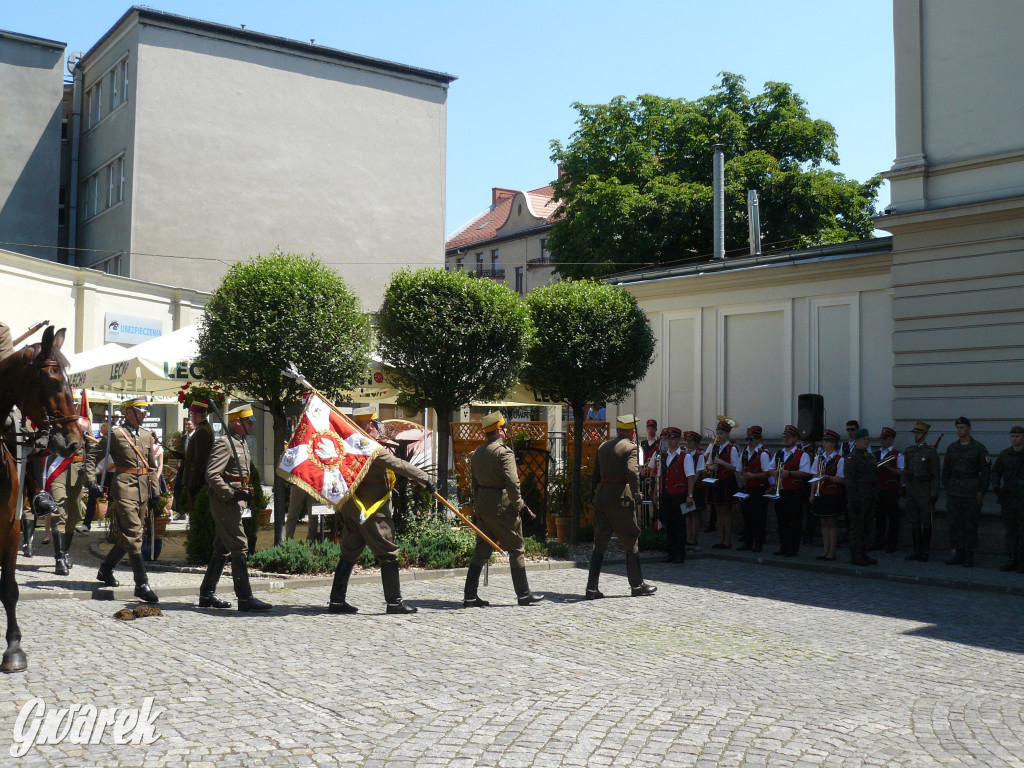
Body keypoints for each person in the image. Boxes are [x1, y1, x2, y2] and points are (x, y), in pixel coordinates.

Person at [328, 406, 436, 614]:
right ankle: (394, 602)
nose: (379, 428)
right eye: (377, 424)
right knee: (388, 553)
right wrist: (425, 478)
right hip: (374, 512)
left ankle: (336, 601)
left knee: (348, 554)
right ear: (369, 425)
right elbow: (398, 464)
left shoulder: (348, 446)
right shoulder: (370, 447)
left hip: (353, 510)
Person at [461, 411, 544, 608]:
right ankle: (523, 595)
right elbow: (513, 483)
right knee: (516, 549)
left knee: (481, 551)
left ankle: (469, 595)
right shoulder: (504, 452)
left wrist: (476, 506)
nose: (506, 431)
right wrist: (519, 505)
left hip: (483, 506)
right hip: (502, 507)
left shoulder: (478, 452)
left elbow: (473, 484)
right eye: (504, 428)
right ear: (499, 430)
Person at [85, 397, 160, 603]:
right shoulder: (116, 434)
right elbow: (92, 456)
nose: (144, 414)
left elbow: (151, 466)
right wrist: (91, 481)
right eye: (140, 411)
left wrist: (156, 491)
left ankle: (106, 569)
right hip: (124, 489)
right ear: (129, 412)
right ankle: (141, 584)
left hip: (143, 490)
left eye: (146, 411)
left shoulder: (146, 436)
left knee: (128, 536)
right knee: (135, 533)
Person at [198, 403, 271, 612]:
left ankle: (206, 594)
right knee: (239, 545)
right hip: (224, 502)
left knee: (221, 548)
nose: (252, 426)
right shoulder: (225, 443)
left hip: (236, 502)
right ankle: (245, 598)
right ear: (237, 422)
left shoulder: (241, 442)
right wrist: (232, 492)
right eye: (248, 422)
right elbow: (212, 474)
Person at [586, 414, 657, 599]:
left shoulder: (603, 446)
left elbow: (594, 475)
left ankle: (591, 588)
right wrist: (636, 494)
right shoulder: (631, 448)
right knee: (631, 540)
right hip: (621, 500)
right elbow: (633, 472)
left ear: (618, 430)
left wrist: (593, 494)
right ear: (632, 432)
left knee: (600, 542)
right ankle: (637, 585)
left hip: (601, 498)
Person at [46, 410, 93, 575]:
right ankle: (59, 558)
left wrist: (89, 474)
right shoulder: (53, 422)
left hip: (76, 473)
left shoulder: (84, 423)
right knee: (59, 511)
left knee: (74, 515)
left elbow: (91, 451)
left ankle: (65, 551)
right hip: (57, 472)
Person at [941, 416, 990, 567]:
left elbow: (986, 472)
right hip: (955, 491)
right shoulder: (952, 448)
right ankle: (958, 553)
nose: (959, 430)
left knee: (970, 525)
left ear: (969, 428)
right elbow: (946, 470)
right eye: (957, 427)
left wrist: (981, 491)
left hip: (971, 491)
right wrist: (948, 487)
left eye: (962, 427)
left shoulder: (979, 448)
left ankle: (969, 555)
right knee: (955, 524)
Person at [650, 427, 691, 564]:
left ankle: (680, 553)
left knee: (679, 524)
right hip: (666, 494)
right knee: (668, 523)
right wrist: (656, 491)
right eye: (669, 439)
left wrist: (689, 495)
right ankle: (671, 552)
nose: (671, 442)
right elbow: (660, 475)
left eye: (673, 439)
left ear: (679, 440)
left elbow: (690, 477)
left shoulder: (685, 457)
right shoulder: (664, 456)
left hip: (679, 494)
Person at [902, 421, 940, 562]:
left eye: (918, 433)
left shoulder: (931, 452)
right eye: (915, 432)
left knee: (926, 522)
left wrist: (934, 492)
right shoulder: (910, 450)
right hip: (912, 492)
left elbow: (936, 474)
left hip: (924, 492)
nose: (916, 435)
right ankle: (916, 550)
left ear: (925, 434)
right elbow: (905, 470)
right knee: (914, 522)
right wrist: (904, 486)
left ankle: (925, 551)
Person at [773, 425, 812, 557]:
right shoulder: (779, 453)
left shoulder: (802, 454)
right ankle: (783, 546)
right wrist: (776, 472)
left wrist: (788, 473)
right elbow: (769, 469)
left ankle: (793, 548)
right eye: (784, 437)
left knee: (795, 521)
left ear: (795, 438)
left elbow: (806, 472)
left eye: (789, 437)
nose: (786, 439)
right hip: (781, 490)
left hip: (795, 492)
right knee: (781, 521)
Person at [991, 425, 1024, 573]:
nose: (1014, 439)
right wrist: (997, 487)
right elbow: (996, 471)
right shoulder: (1005, 454)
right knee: (1010, 530)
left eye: (1017, 436)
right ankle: (1012, 559)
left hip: (1022, 499)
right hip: (1009, 499)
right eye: (1012, 436)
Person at [844, 428, 879, 567]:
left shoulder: (869, 457)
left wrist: (876, 496)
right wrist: (854, 501)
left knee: (867, 528)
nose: (867, 441)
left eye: (867, 439)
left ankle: (863, 553)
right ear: (856, 441)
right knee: (857, 528)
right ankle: (856, 555)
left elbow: (874, 479)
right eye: (864, 439)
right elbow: (850, 482)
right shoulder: (852, 458)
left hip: (869, 498)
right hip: (858, 499)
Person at [706, 419, 742, 549]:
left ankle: (727, 540)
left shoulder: (731, 448)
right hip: (716, 482)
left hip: (727, 482)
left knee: (726, 512)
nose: (718, 436)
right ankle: (720, 539)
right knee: (718, 512)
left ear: (727, 434)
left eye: (721, 433)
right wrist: (710, 468)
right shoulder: (714, 447)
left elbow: (735, 467)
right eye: (717, 433)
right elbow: (708, 464)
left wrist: (720, 462)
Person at [809, 429, 844, 561]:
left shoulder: (839, 459)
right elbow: (814, 476)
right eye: (824, 441)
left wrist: (827, 477)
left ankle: (832, 552)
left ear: (834, 444)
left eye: (827, 442)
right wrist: (811, 494)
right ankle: (825, 550)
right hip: (821, 493)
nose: (824, 444)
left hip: (833, 493)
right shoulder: (819, 458)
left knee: (832, 523)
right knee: (823, 522)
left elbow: (841, 478)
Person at [737, 426, 772, 553]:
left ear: (758, 439)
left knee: (758, 517)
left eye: (751, 439)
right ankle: (747, 541)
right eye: (748, 439)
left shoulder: (763, 454)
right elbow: (738, 470)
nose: (749, 441)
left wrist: (753, 476)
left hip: (759, 488)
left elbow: (767, 473)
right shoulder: (744, 453)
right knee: (747, 516)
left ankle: (758, 543)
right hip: (747, 487)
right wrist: (742, 478)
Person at [873, 427, 904, 553]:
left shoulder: (897, 454)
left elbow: (901, 472)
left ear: (891, 440)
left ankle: (892, 543)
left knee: (892, 517)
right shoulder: (876, 453)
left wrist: (888, 468)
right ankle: (878, 541)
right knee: (879, 517)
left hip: (891, 489)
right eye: (882, 438)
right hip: (878, 488)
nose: (882, 441)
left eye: (885, 439)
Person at [182, 401, 215, 517]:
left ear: (195, 415)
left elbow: (200, 460)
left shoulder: (202, 431)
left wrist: (193, 482)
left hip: (198, 480)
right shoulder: (204, 428)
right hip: (198, 479)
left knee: (196, 513)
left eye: (192, 415)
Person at [683, 431, 706, 551]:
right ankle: (688, 536)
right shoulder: (683, 454)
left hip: (696, 487)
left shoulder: (699, 455)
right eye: (687, 441)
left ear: (696, 443)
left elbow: (698, 472)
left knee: (695, 513)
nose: (688, 443)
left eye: (691, 441)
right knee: (687, 513)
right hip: (685, 486)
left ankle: (694, 537)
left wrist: (690, 483)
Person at [171, 416, 195, 519]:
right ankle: (181, 512)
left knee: (191, 487)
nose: (187, 426)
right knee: (177, 487)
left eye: (189, 424)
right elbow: (181, 449)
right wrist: (179, 460)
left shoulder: (197, 436)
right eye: (186, 424)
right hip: (184, 464)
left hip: (193, 466)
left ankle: (192, 511)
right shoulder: (183, 437)